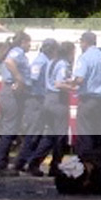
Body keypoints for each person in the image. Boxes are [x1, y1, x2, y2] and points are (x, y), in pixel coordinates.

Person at [25, 41, 75, 177]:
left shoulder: (52, 62)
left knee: (49, 136)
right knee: (60, 137)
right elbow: (59, 83)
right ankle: (55, 166)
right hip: (58, 101)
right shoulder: (64, 64)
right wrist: (74, 88)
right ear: (69, 52)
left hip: (48, 99)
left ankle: (34, 163)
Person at [14, 38, 57, 175]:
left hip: (40, 100)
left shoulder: (45, 60)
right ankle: (20, 163)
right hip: (36, 100)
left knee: (36, 134)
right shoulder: (41, 61)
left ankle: (26, 163)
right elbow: (32, 78)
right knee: (33, 133)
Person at [0, 31, 32, 177]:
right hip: (12, 94)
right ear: (23, 42)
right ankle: (0, 166)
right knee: (10, 129)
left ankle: (0, 164)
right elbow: (10, 63)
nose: (30, 45)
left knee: (8, 128)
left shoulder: (10, 51)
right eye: (29, 42)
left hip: (7, 92)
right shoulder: (17, 52)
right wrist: (19, 78)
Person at [69, 31, 101, 156]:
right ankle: (96, 161)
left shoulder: (85, 57)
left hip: (88, 100)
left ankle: (84, 160)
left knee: (84, 132)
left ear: (85, 42)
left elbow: (80, 79)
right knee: (96, 132)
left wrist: (71, 83)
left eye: (81, 42)